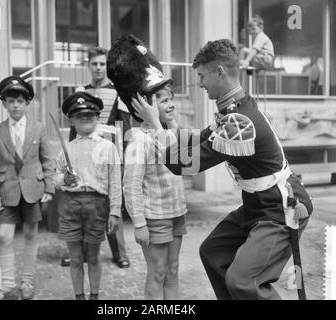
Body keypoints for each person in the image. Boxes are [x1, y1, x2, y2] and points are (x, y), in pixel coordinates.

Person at [131, 39, 313, 300]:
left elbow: (183, 164)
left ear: (220, 72)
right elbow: (197, 142)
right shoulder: (232, 111)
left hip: (278, 206)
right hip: (256, 204)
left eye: (202, 76)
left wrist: (155, 126)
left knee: (242, 281)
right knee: (213, 252)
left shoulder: (240, 121)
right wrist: (169, 123)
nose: (200, 83)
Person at [107, 35, 188, 300]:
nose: (171, 104)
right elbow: (130, 186)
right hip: (154, 217)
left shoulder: (171, 132)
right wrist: (139, 223)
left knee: (173, 270)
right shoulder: (138, 139)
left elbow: (186, 163)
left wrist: (172, 127)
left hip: (177, 212)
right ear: (143, 106)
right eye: (162, 100)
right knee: (157, 273)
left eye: (171, 97)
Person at [63, 47, 131, 269]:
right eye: (95, 64)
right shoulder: (81, 90)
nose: (99, 68)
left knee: (112, 199)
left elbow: (123, 125)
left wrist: (123, 157)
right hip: (84, 152)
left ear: (107, 66)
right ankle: (80, 250)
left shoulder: (118, 91)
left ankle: (119, 252)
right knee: (84, 198)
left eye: (102, 64)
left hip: (109, 151)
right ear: (88, 65)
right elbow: (74, 128)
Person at [0, 76, 54, 300]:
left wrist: (49, 187)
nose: (16, 105)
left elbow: (47, 161)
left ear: (27, 104)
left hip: (33, 190)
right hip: (8, 191)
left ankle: (27, 282)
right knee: (4, 236)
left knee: (30, 233)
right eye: (11, 101)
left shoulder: (39, 128)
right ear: (4, 104)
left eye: (20, 101)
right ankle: (7, 286)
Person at [54, 91, 121, 300]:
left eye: (89, 116)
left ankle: (94, 296)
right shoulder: (66, 149)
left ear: (97, 118)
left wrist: (115, 211)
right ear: (71, 121)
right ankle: (79, 296)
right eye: (79, 116)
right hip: (70, 204)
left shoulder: (108, 147)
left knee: (93, 257)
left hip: (97, 205)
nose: (85, 119)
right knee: (75, 258)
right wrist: (65, 180)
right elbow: (54, 177)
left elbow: (115, 182)